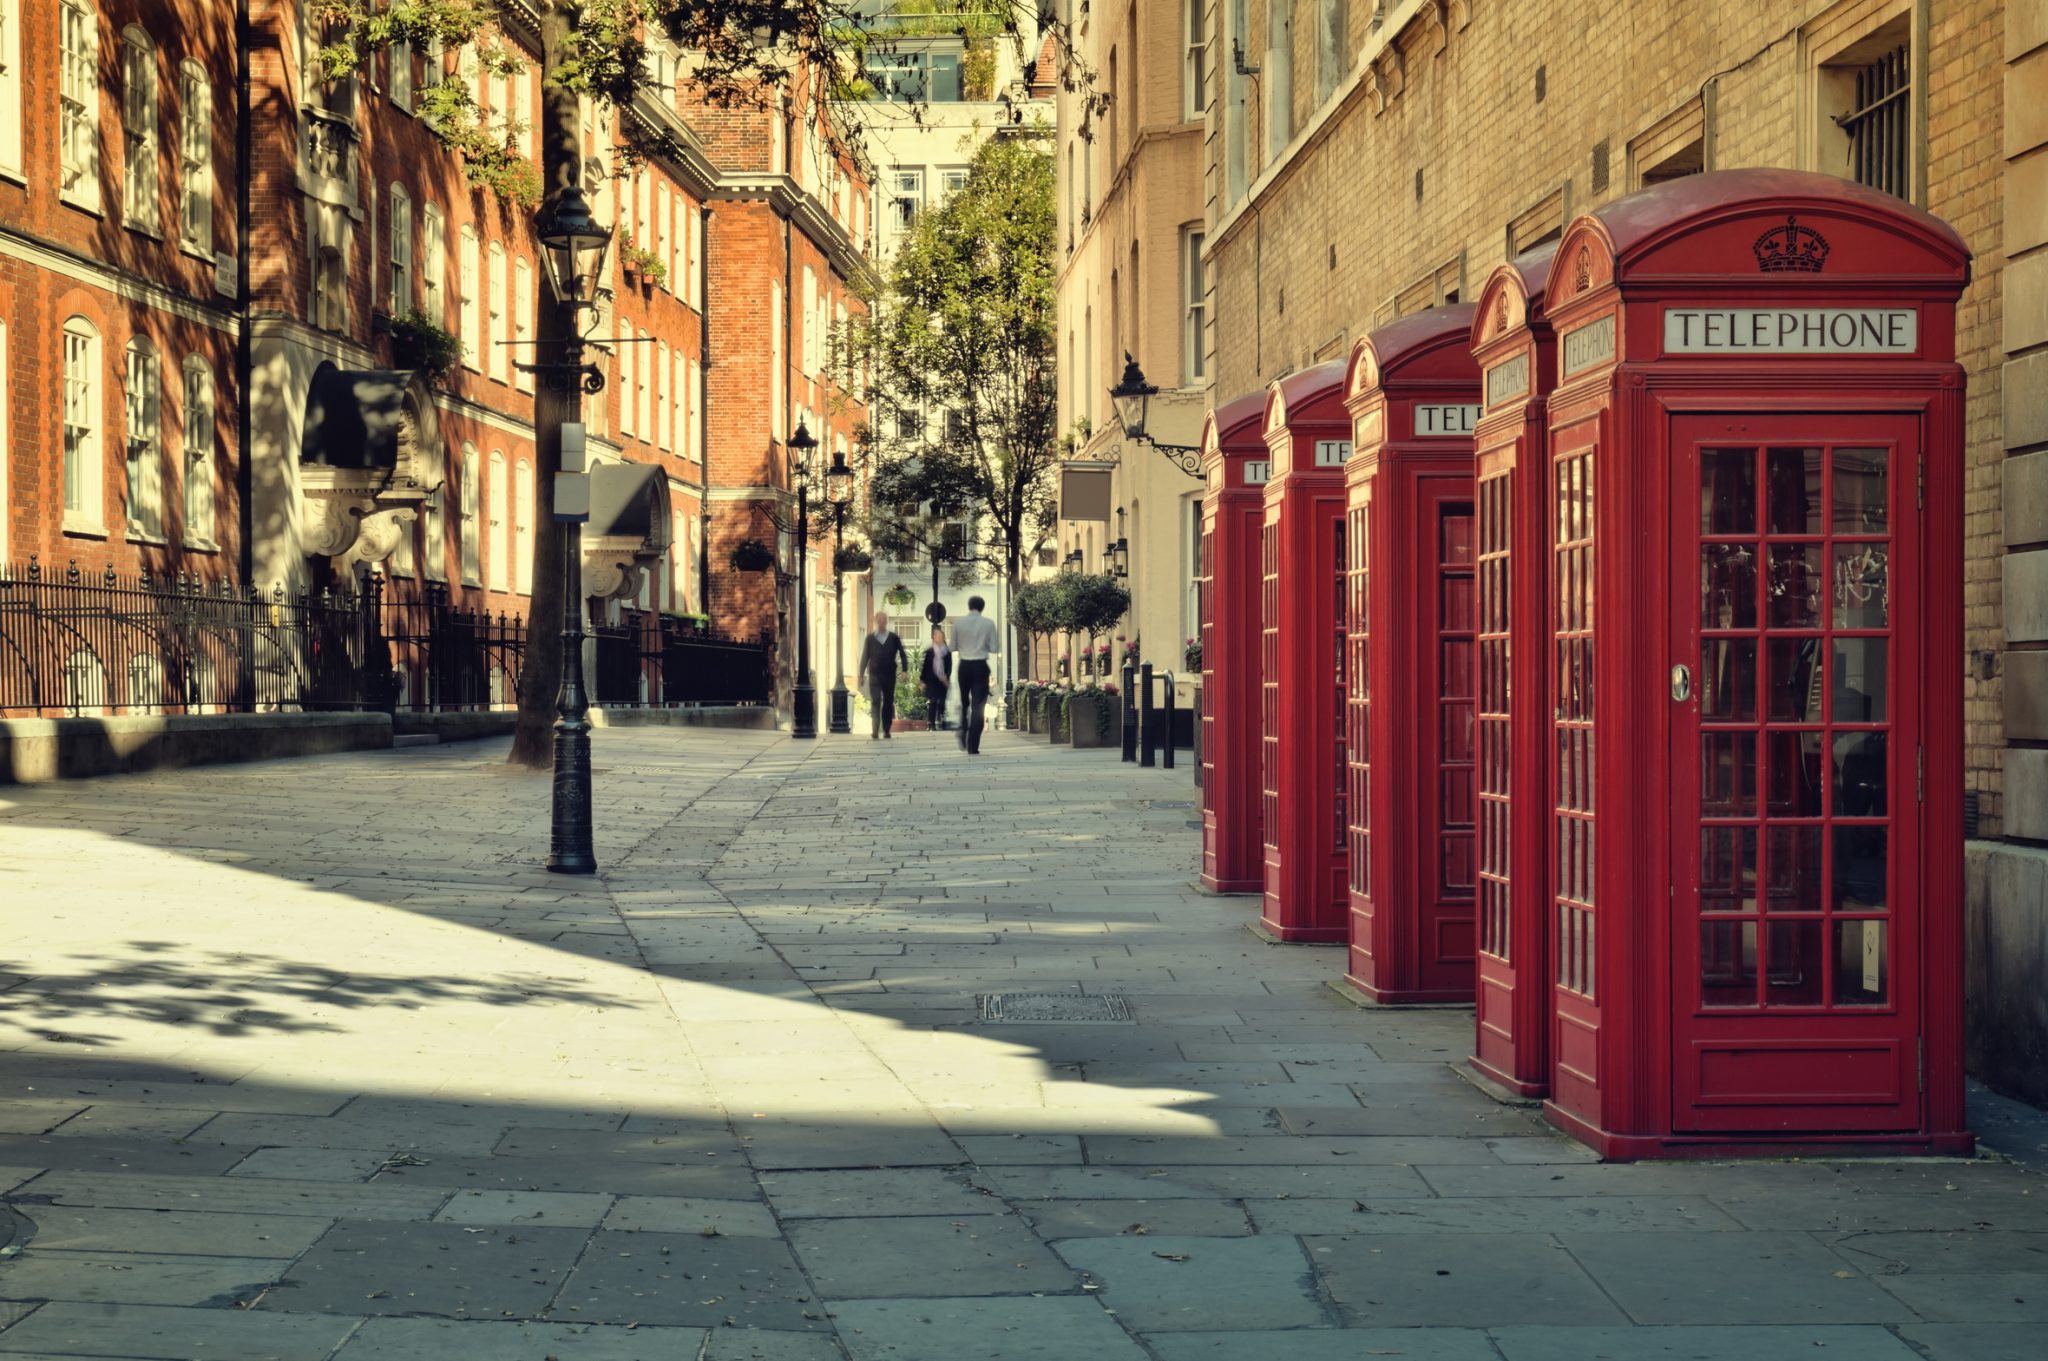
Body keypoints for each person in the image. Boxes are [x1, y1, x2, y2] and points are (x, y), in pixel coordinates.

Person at [949, 595, 1001, 755]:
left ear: (969, 606)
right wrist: (981, 644)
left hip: (964, 665)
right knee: (978, 707)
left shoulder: (958, 623)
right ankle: (973, 745)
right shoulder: (988, 623)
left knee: (965, 701)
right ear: (982, 607)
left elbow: (952, 647)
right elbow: (994, 648)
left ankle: (962, 727)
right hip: (980, 666)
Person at [856, 611, 909, 740]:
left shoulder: (893, 638)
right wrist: (861, 675)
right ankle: (875, 730)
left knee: (888, 701)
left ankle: (886, 729)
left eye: (883, 620)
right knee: (876, 701)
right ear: (876, 621)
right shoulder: (870, 638)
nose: (881, 623)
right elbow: (865, 657)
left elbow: (902, 654)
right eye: (878, 620)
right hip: (874, 674)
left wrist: (904, 670)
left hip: (889, 674)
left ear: (886, 621)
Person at [920, 624, 955, 732]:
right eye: (937, 637)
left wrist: (946, 677)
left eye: (941, 637)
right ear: (934, 638)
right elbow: (925, 667)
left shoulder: (947, 652)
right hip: (932, 680)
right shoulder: (929, 652)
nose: (939, 639)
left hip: (942, 680)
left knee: (941, 701)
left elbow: (949, 666)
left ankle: (941, 720)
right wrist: (922, 680)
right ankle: (931, 724)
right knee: (932, 701)